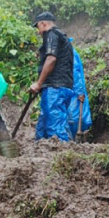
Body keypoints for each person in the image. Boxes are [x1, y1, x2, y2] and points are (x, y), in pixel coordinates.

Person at [30, 12, 74, 141]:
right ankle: (37, 152)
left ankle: (63, 155)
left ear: (43, 23)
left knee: (55, 127)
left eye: (38, 27)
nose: (38, 32)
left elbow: (51, 59)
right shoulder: (62, 37)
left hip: (56, 87)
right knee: (44, 124)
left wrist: (38, 84)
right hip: (59, 86)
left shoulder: (51, 34)